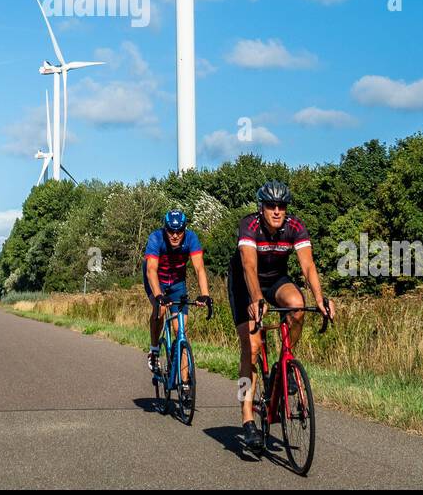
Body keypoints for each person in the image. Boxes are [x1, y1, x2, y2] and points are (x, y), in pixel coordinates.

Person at [228, 180, 334, 452]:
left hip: (276, 280)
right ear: (261, 207)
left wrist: (320, 299)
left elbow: (308, 266)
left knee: (298, 305)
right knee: (250, 349)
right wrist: (256, 299)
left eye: (282, 206)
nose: (277, 211)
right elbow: (249, 267)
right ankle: (247, 418)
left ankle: (283, 366)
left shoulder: (295, 227)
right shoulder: (249, 226)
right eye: (271, 206)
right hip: (245, 285)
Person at [143, 209, 212, 374]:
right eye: (171, 231)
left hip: (177, 282)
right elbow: (151, 270)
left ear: (185, 229)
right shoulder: (156, 238)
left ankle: (185, 384)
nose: (175, 235)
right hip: (156, 280)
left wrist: (205, 294)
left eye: (179, 231)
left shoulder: (191, 238)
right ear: (165, 229)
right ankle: (154, 350)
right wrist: (159, 295)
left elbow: (199, 269)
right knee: (160, 309)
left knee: (180, 329)